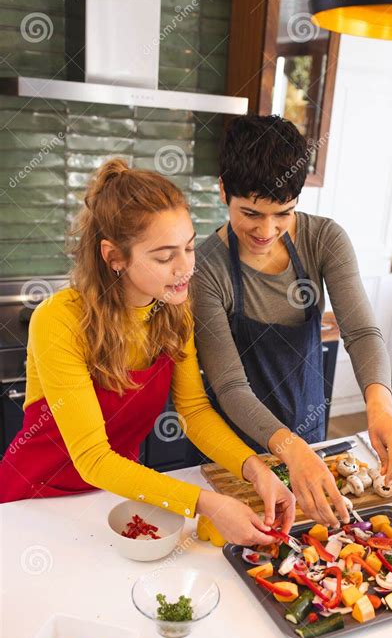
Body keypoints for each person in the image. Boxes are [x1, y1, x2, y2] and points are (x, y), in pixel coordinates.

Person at [0, 158, 295, 546]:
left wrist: (257, 471)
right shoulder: (59, 319)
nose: (185, 267)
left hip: (121, 496)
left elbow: (194, 412)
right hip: (33, 506)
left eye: (189, 248)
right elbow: (92, 458)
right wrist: (208, 504)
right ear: (114, 257)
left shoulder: (174, 312)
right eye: (163, 256)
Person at [193, 114, 392, 528]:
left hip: (311, 436)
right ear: (224, 190)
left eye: (284, 214)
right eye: (251, 214)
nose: (267, 230)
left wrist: (381, 404)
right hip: (237, 456)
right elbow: (229, 386)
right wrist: (288, 450)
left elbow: (362, 332)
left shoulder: (324, 239)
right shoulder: (206, 269)